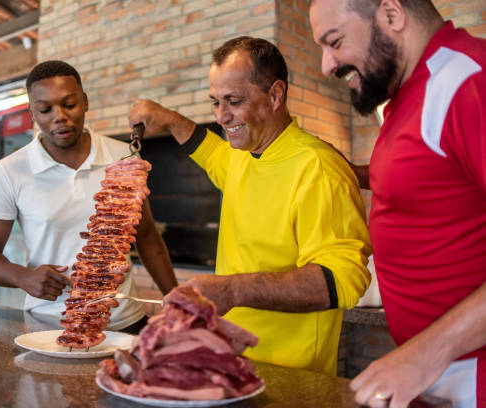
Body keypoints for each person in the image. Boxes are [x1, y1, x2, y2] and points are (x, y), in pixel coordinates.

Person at [128, 36, 372, 375]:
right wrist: (167, 119)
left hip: (290, 374)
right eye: (215, 102)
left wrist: (232, 288)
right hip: (229, 360)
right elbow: (210, 153)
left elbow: (343, 279)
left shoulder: (318, 167)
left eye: (234, 101)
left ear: (275, 95)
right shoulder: (243, 154)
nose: (222, 116)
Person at [309, 0, 486, 406]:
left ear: (391, 14)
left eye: (334, 42)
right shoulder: (406, 96)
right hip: (436, 374)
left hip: (472, 375)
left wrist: (427, 353)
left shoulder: (468, 80)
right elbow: (430, 177)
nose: (325, 65)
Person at [0, 60, 177, 334]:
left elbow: (148, 239)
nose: (59, 116)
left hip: (124, 323)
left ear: (85, 102)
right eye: (45, 109)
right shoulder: (9, 171)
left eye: (69, 105)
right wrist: (22, 276)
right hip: (49, 325)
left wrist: (177, 301)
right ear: (32, 114)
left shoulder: (122, 157)